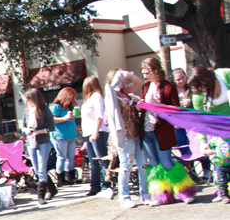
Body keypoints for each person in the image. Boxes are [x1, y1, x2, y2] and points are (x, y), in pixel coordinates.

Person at [135, 56, 196, 204]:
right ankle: (162, 195)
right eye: (143, 73)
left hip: (163, 131)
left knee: (167, 162)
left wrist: (157, 103)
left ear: (156, 70)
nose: (144, 76)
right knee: (155, 164)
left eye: (147, 72)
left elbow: (176, 109)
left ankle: (185, 191)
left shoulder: (169, 86)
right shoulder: (145, 87)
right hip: (147, 130)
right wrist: (139, 103)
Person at [104, 69, 148, 208]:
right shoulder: (111, 93)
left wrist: (129, 75)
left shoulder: (124, 92)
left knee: (143, 165)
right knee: (126, 166)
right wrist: (119, 76)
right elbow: (112, 86)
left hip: (136, 132)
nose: (124, 81)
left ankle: (145, 194)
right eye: (121, 79)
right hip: (124, 136)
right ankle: (124, 197)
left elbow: (138, 82)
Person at [188, 66, 230, 202]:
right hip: (222, 134)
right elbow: (200, 122)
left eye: (201, 87)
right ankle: (224, 192)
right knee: (223, 164)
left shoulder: (225, 75)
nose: (199, 91)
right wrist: (203, 142)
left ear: (206, 79)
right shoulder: (198, 96)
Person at [22, 88, 57, 205]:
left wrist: (39, 131)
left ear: (35, 98)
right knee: (37, 170)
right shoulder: (27, 111)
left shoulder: (44, 110)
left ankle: (40, 195)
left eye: (29, 99)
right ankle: (52, 189)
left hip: (43, 141)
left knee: (42, 169)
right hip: (31, 142)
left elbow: (52, 127)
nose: (27, 101)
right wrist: (26, 130)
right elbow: (22, 126)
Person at [80, 76, 110, 197]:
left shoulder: (97, 97)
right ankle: (95, 186)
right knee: (93, 162)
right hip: (89, 133)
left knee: (102, 160)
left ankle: (107, 184)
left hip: (97, 133)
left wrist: (95, 132)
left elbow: (99, 115)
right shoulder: (88, 99)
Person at [49, 88, 79, 186]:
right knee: (62, 157)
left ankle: (70, 176)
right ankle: (60, 179)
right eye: (71, 97)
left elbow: (75, 116)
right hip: (60, 135)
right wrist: (64, 118)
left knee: (71, 157)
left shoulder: (71, 106)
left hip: (71, 134)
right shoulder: (56, 107)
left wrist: (77, 107)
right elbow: (51, 119)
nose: (73, 99)